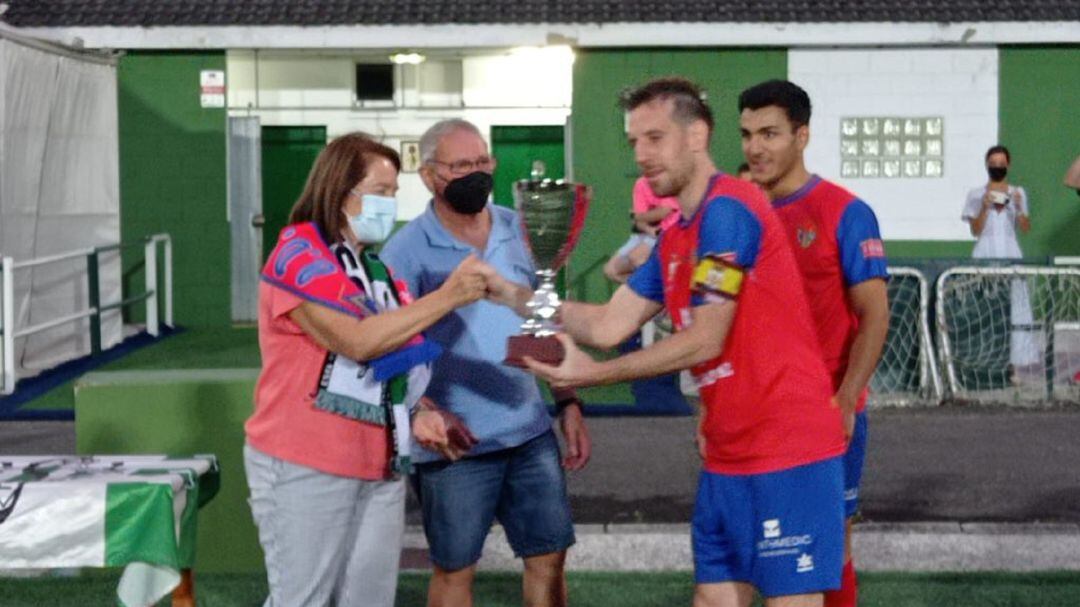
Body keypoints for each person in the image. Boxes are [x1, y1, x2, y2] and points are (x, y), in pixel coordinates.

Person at [518, 77, 846, 607]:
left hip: (789, 452)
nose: (642, 155)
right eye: (634, 143)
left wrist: (594, 375)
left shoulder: (728, 211)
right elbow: (606, 324)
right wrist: (512, 294)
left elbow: (704, 340)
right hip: (726, 453)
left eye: (655, 138)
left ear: (697, 136)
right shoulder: (676, 234)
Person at [244, 132, 492, 607]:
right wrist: (449, 296)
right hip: (306, 460)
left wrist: (421, 410)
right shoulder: (297, 257)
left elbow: (395, 358)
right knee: (304, 600)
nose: (390, 203)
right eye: (380, 192)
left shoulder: (376, 273)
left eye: (394, 193)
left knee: (369, 599)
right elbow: (356, 342)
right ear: (339, 193)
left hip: (379, 463)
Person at [380, 119, 591, 607]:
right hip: (454, 444)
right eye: (461, 166)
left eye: (482, 163)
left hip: (528, 429)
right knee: (455, 571)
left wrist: (568, 402)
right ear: (430, 175)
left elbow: (546, 318)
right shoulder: (405, 252)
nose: (476, 173)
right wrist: (423, 410)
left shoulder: (524, 228)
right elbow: (391, 345)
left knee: (549, 558)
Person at [738, 79, 890, 607]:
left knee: (829, 540)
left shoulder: (845, 212)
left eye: (770, 133)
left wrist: (847, 396)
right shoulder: (740, 217)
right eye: (747, 134)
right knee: (757, 544)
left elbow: (875, 316)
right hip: (754, 414)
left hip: (825, 410)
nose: (755, 147)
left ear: (802, 136)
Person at [961, 145, 1039, 375]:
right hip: (985, 252)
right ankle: (984, 360)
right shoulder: (976, 194)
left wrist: (1018, 207)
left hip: (1010, 252)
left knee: (1015, 306)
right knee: (985, 305)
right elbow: (975, 231)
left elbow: (1025, 228)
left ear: (1008, 165)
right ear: (987, 165)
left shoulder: (1018, 192)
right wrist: (984, 208)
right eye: (993, 164)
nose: (997, 167)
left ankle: (1013, 366)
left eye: (1001, 164)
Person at [604, 175, 682, 283]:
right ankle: (649, 292)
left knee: (636, 258)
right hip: (646, 233)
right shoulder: (641, 183)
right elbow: (639, 221)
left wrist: (637, 216)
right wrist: (648, 229)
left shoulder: (668, 181)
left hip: (669, 232)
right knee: (611, 270)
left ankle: (656, 292)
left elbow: (663, 212)